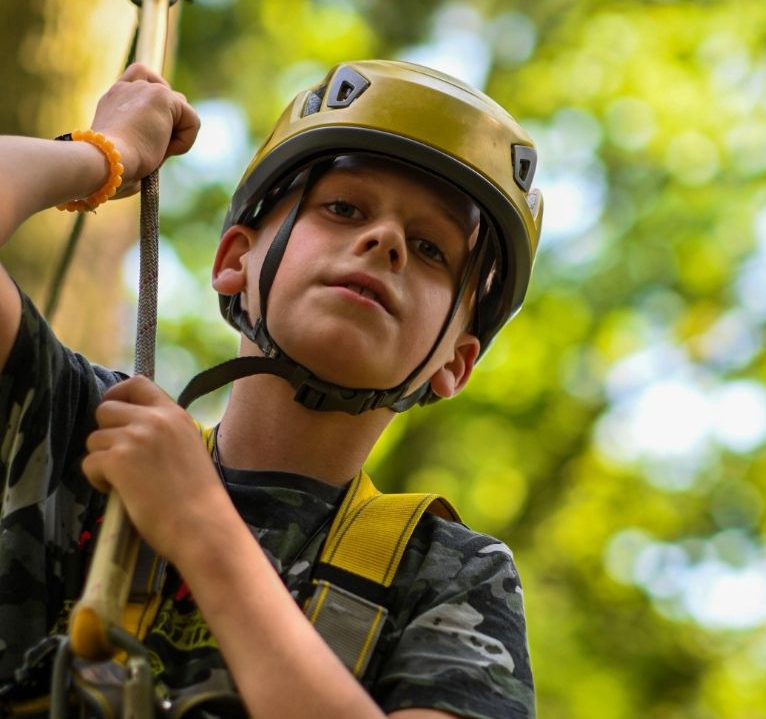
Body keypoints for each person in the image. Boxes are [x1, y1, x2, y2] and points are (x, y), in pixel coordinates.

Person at [0, 59, 542, 718]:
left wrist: (202, 526)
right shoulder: (84, 432)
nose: (386, 241)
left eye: (431, 249)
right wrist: (104, 156)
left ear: (453, 362)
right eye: (343, 208)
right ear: (234, 261)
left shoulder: (448, 577)